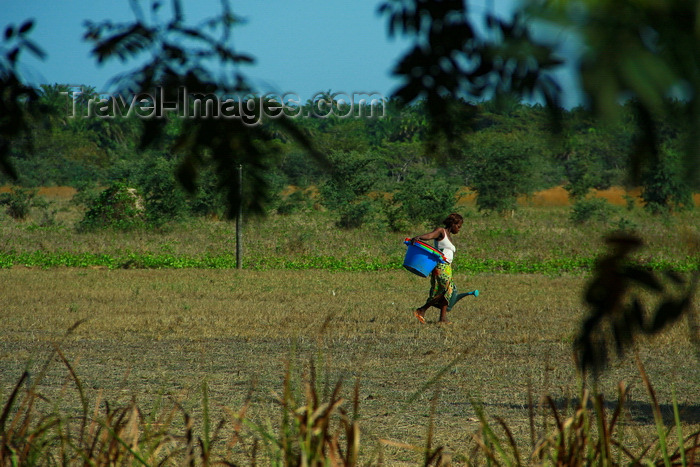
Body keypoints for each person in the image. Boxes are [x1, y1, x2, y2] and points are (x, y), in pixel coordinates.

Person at [410, 213, 463, 324]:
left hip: (447, 267)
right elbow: (430, 236)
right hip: (441, 266)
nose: (458, 229)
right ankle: (422, 310)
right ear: (452, 224)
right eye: (458, 226)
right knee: (442, 290)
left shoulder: (449, 236)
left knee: (448, 291)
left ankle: (442, 319)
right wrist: (418, 238)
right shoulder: (441, 231)